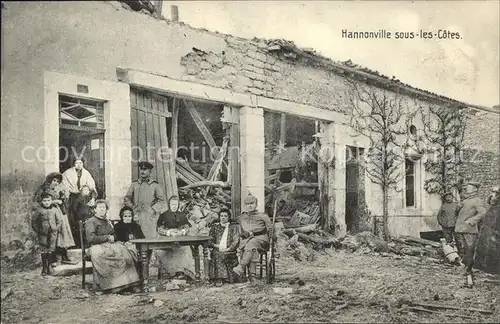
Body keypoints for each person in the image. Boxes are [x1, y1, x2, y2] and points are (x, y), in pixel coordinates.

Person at [85, 200, 140, 293]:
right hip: (96, 246)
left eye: (104, 207)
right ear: (95, 210)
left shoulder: (107, 221)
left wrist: (113, 237)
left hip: (110, 244)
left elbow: (114, 234)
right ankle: (110, 287)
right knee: (107, 256)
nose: (102, 209)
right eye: (100, 207)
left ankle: (129, 284)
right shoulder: (91, 222)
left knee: (126, 254)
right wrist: (107, 237)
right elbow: (91, 238)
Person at [33, 172, 76, 265]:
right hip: (49, 214)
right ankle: (52, 259)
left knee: (63, 233)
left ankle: (64, 256)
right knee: (52, 236)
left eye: (57, 181)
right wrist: (53, 201)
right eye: (54, 180)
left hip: (60, 213)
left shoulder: (59, 189)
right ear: (50, 180)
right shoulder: (43, 189)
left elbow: (64, 200)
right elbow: (39, 201)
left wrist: (64, 197)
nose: (56, 183)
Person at [232, 194, 273, 281]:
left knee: (251, 243)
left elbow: (271, 230)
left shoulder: (263, 216)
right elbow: (231, 221)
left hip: (261, 239)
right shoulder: (242, 217)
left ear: (256, 204)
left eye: (252, 203)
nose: (250, 206)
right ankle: (252, 276)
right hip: (247, 240)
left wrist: (273, 242)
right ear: (245, 205)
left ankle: (241, 266)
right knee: (250, 246)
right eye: (247, 204)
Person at [156, 196, 196, 280]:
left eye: (176, 204)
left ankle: (183, 272)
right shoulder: (163, 215)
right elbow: (159, 229)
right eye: (172, 204)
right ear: (169, 205)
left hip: (180, 239)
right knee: (166, 251)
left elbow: (187, 227)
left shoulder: (182, 214)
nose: (174, 206)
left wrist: (182, 232)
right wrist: (169, 232)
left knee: (186, 249)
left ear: (178, 205)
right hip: (167, 240)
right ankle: (172, 273)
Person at [124, 161, 166, 239]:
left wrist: (153, 210)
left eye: (145, 169)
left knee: (149, 238)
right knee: (137, 237)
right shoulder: (134, 184)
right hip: (137, 215)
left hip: (149, 217)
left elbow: (161, 201)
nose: (142, 171)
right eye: (141, 169)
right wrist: (133, 208)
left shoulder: (155, 185)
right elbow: (127, 198)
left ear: (149, 171)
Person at [62, 156, 97, 247]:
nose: (78, 165)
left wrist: (92, 198)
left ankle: (85, 242)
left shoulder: (86, 173)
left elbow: (92, 187)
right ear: (73, 164)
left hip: (83, 197)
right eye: (76, 163)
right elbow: (64, 185)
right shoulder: (67, 173)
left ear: (83, 163)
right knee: (73, 220)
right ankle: (74, 243)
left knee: (84, 220)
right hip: (72, 198)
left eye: (80, 163)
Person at [455, 181, 487, 271]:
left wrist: (472, 220)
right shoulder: (465, 200)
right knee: (464, 247)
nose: (466, 189)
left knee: (470, 248)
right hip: (461, 228)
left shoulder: (477, 200)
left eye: (469, 187)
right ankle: (465, 264)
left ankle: (471, 266)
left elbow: (483, 212)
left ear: (475, 189)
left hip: (470, 228)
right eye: (466, 187)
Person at [470, 186, 500, 275]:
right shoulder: (492, 208)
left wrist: (496, 232)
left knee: (493, 249)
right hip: (486, 231)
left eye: (496, 194)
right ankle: (481, 266)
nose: (491, 200)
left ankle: (492, 269)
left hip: (493, 232)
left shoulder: (497, 209)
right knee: (483, 248)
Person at [208, 208, 240, 286]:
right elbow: (209, 241)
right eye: (221, 216)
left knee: (220, 255)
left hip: (230, 250)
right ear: (219, 217)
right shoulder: (215, 227)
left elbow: (236, 241)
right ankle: (215, 278)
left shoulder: (233, 227)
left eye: (225, 216)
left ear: (229, 217)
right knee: (216, 254)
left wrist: (228, 249)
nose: (223, 218)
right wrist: (216, 245)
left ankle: (220, 279)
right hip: (217, 249)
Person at [31, 192, 60, 276]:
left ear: (51, 201)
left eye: (48, 200)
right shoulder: (39, 210)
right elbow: (34, 222)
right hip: (43, 233)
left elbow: (59, 221)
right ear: (42, 201)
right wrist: (38, 230)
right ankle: (44, 268)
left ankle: (50, 267)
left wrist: (56, 228)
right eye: (45, 200)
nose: (47, 202)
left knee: (51, 249)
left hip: (53, 233)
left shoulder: (55, 210)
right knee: (44, 249)